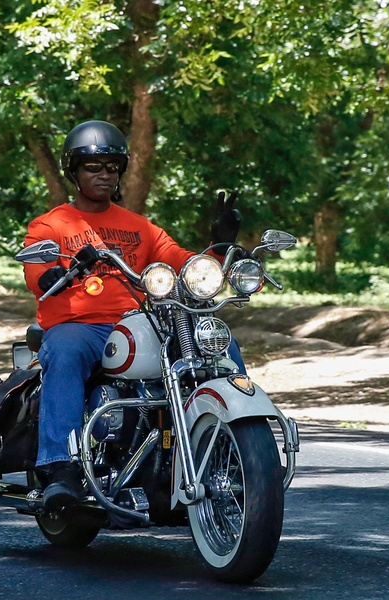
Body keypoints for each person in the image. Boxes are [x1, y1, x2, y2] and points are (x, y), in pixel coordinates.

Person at [22, 120, 244, 511]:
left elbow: (182, 262)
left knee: (215, 341)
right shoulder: (50, 224)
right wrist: (50, 273)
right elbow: (35, 271)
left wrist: (219, 246)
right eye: (93, 167)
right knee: (66, 352)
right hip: (80, 326)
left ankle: (238, 442)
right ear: (73, 171)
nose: (104, 174)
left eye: (112, 167)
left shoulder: (140, 227)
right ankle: (60, 469)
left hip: (138, 323)